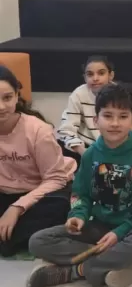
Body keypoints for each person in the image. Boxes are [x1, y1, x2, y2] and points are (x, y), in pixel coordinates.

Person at [27, 83, 132, 287]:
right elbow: (80, 193)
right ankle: (120, 263)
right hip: (101, 226)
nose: (115, 123)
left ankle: (76, 270)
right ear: (96, 120)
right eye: (108, 116)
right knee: (38, 241)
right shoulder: (91, 154)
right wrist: (78, 215)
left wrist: (120, 232)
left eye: (123, 116)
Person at [0, 66, 75, 257]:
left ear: (17, 96)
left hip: (42, 191)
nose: (1, 106)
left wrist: (17, 208)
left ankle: (9, 240)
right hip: (5, 192)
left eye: (7, 98)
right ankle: (11, 239)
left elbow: (55, 179)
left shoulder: (38, 130)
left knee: (59, 207)